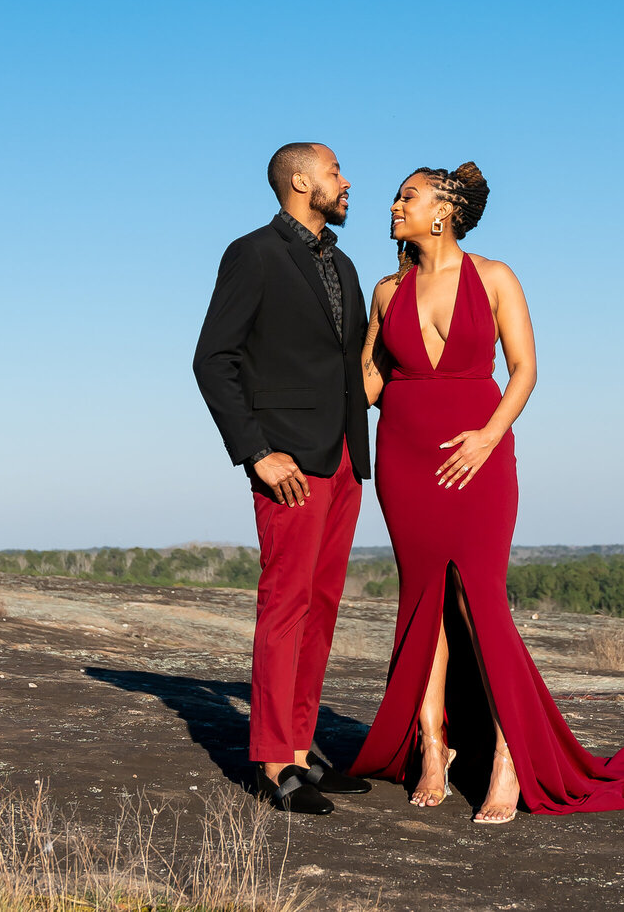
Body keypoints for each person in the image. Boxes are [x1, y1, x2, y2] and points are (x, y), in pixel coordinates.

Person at [347, 162, 624, 822]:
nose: (392, 205)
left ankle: (507, 755)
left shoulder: (495, 278)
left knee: (478, 597)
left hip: (481, 454)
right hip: (407, 457)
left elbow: (525, 370)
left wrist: (487, 437)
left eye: (405, 196)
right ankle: (433, 744)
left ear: (442, 211)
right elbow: (368, 385)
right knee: (423, 599)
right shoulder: (387, 292)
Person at [192, 142, 374, 813]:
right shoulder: (254, 253)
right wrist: (256, 452)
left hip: (347, 458)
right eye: (334, 173)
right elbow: (213, 359)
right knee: (285, 604)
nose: (346, 181)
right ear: (302, 181)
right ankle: (272, 763)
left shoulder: (346, 264)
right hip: (289, 462)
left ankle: (302, 748)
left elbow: (350, 364)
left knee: (321, 608)